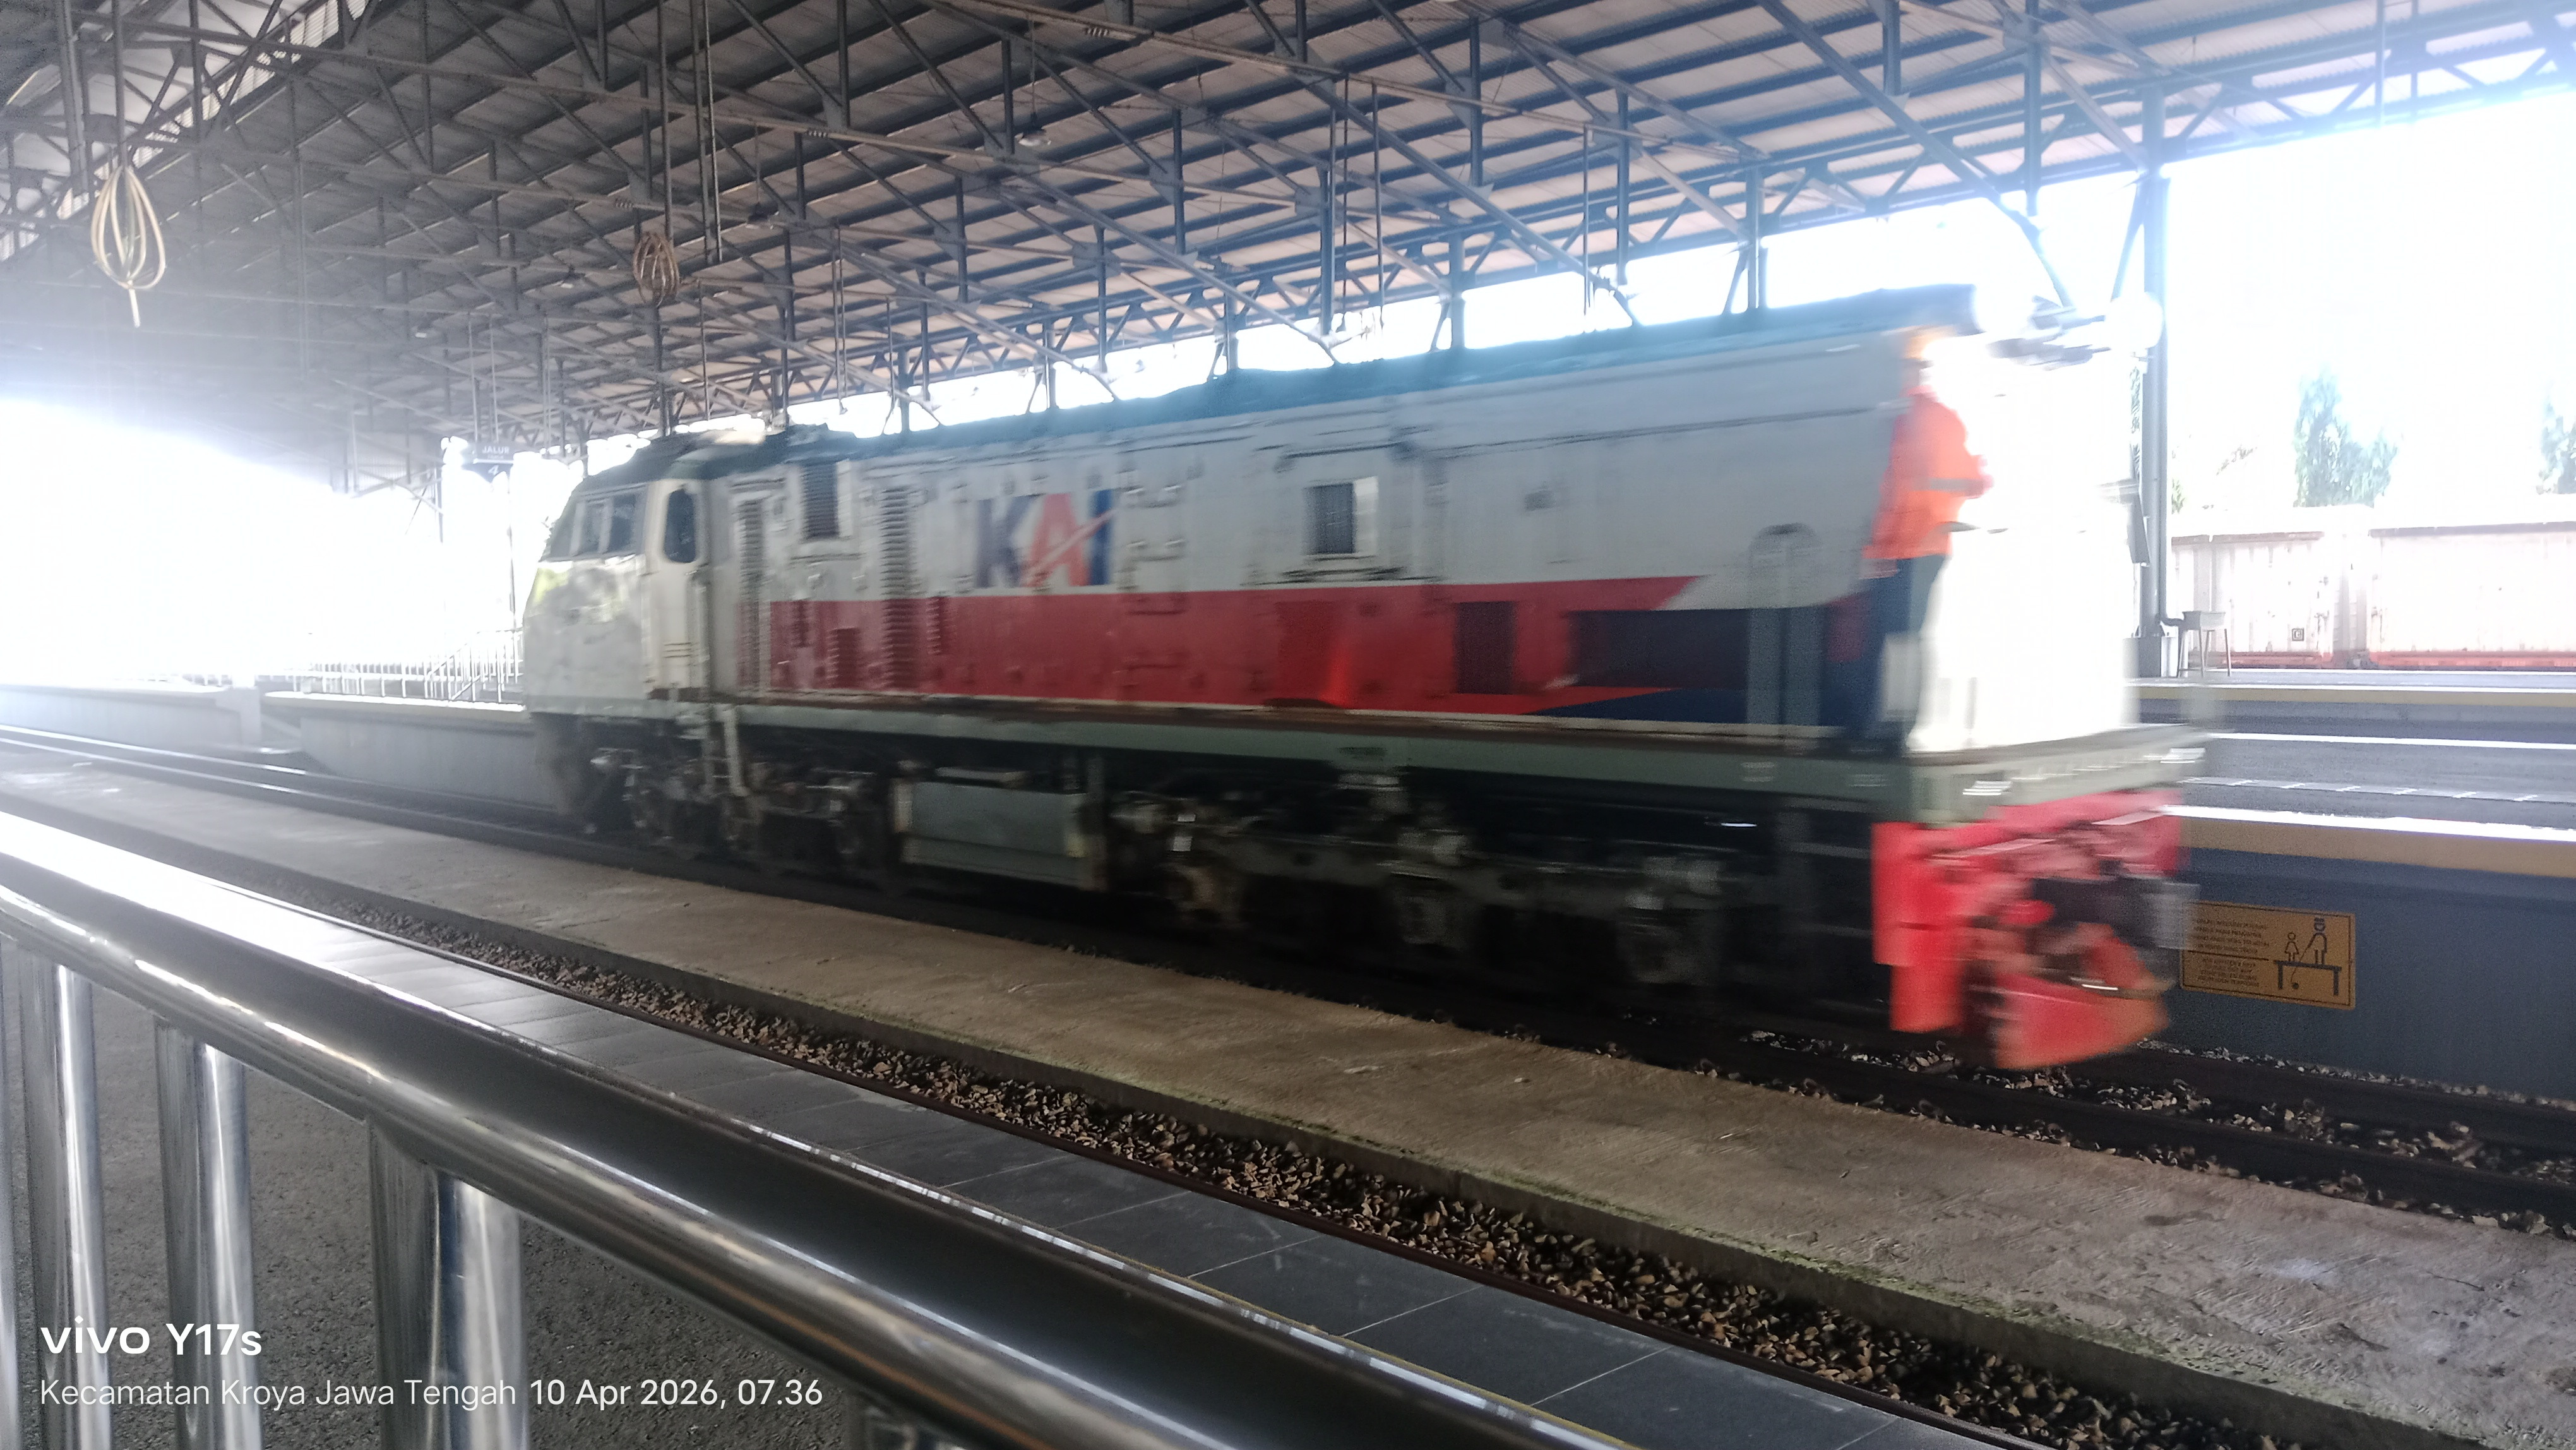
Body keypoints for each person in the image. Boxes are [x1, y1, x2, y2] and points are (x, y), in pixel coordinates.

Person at [1847, 339, 1991, 743]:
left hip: (1903, 548)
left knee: (1887, 639)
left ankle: (1884, 728)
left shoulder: (1902, 419)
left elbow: (1895, 491)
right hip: (1933, 545)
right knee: (1910, 638)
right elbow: (1976, 481)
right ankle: (1902, 724)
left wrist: (1877, 548)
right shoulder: (1946, 417)